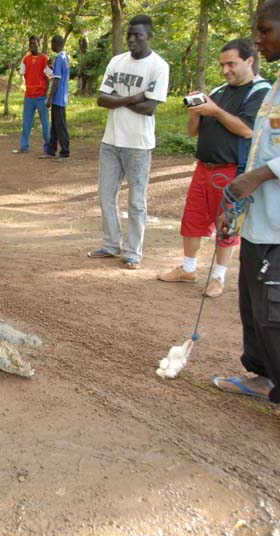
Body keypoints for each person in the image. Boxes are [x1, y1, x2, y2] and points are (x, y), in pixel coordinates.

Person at [157, 39, 270, 297]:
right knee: (193, 218)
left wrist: (216, 111)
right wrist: (196, 114)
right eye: (222, 64)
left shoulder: (260, 92)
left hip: (232, 170)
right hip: (203, 166)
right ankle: (188, 269)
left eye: (231, 64)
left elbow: (248, 129)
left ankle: (218, 276)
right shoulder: (219, 91)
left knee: (226, 223)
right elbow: (193, 131)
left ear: (249, 61)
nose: (225, 70)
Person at [212, 0, 280, 404]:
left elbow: (264, 165)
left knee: (274, 312)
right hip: (260, 222)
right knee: (254, 307)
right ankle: (262, 377)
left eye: (265, 29)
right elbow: (261, 151)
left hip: (278, 229)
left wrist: (254, 177)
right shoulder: (276, 87)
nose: (258, 38)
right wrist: (237, 203)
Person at [87, 14, 170, 270]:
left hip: (138, 144)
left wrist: (120, 99)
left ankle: (133, 251)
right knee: (106, 195)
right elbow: (102, 99)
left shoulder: (158, 66)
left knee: (136, 201)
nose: (132, 39)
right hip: (111, 140)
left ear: (150, 36)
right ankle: (111, 244)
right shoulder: (116, 61)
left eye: (138, 35)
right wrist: (132, 98)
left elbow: (149, 108)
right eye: (130, 35)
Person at [12, 36, 50, 155]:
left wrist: (46, 93)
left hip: (41, 96)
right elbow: (24, 74)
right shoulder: (26, 59)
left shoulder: (45, 58)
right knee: (26, 123)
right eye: (30, 43)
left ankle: (48, 148)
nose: (32, 45)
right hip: (29, 96)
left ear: (39, 44)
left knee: (45, 124)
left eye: (34, 43)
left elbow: (49, 77)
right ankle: (24, 146)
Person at [41, 35, 71, 161]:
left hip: (58, 97)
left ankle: (65, 152)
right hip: (62, 96)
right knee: (55, 125)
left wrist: (50, 98)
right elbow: (61, 74)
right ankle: (51, 151)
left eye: (52, 44)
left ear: (55, 44)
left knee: (60, 125)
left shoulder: (59, 57)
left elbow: (57, 80)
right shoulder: (65, 57)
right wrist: (52, 69)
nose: (51, 46)